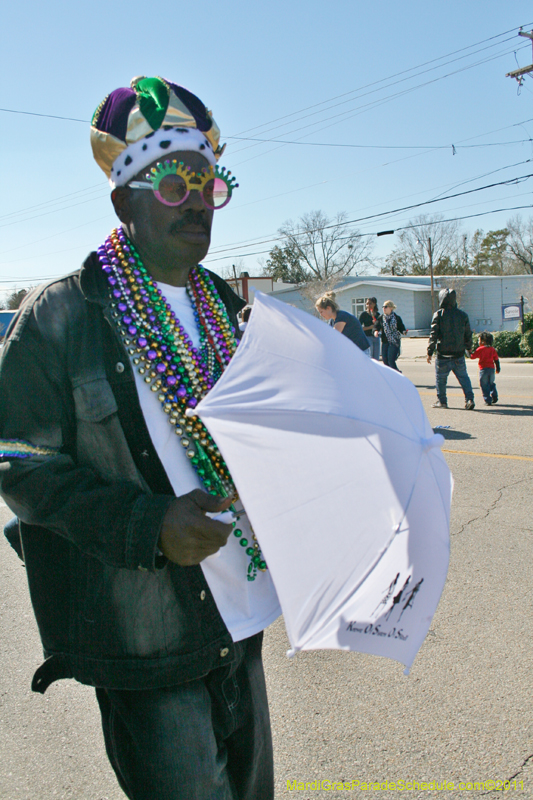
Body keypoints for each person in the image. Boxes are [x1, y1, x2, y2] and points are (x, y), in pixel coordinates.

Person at [0, 76, 281, 800]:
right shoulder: (60, 316)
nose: (193, 198)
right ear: (124, 199)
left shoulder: (225, 303)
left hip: (239, 615)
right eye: (171, 184)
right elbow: (18, 463)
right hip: (146, 635)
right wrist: (147, 525)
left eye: (206, 182)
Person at [427, 288, 475, 410]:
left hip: (443, 354)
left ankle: (442, 401)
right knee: (464, 378)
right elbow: (468, 334)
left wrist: (429, 351)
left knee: (441, 380)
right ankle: (469, 399)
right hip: (458, 354)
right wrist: (469, 348)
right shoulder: (463, 315)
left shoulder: (438, 314)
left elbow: (433, 334)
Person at [374, 300, 407, 371]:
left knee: (391, 361)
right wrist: (376, 331)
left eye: (386, 307)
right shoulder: (381, 318)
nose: (384, 308)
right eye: (383, 307)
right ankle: (391, 376)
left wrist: (404, 331)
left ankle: (398, 375)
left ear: (391, 308)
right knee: (385, 361)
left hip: (394, 341)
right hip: (385, 341)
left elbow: (401, 327)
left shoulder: (396, 318)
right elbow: (376, 326)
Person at [470, 331, 500, 405]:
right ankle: (494, 395)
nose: (478, 342)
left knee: (484, 385)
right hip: (491, 369)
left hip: (483, 369)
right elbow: (496, 359)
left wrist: (469, 352)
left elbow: (472, 357)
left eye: (479, 340)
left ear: (483, 341)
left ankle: (487, 400)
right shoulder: (492, 349)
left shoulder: (480, 349)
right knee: (491, 383)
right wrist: (498, 368)